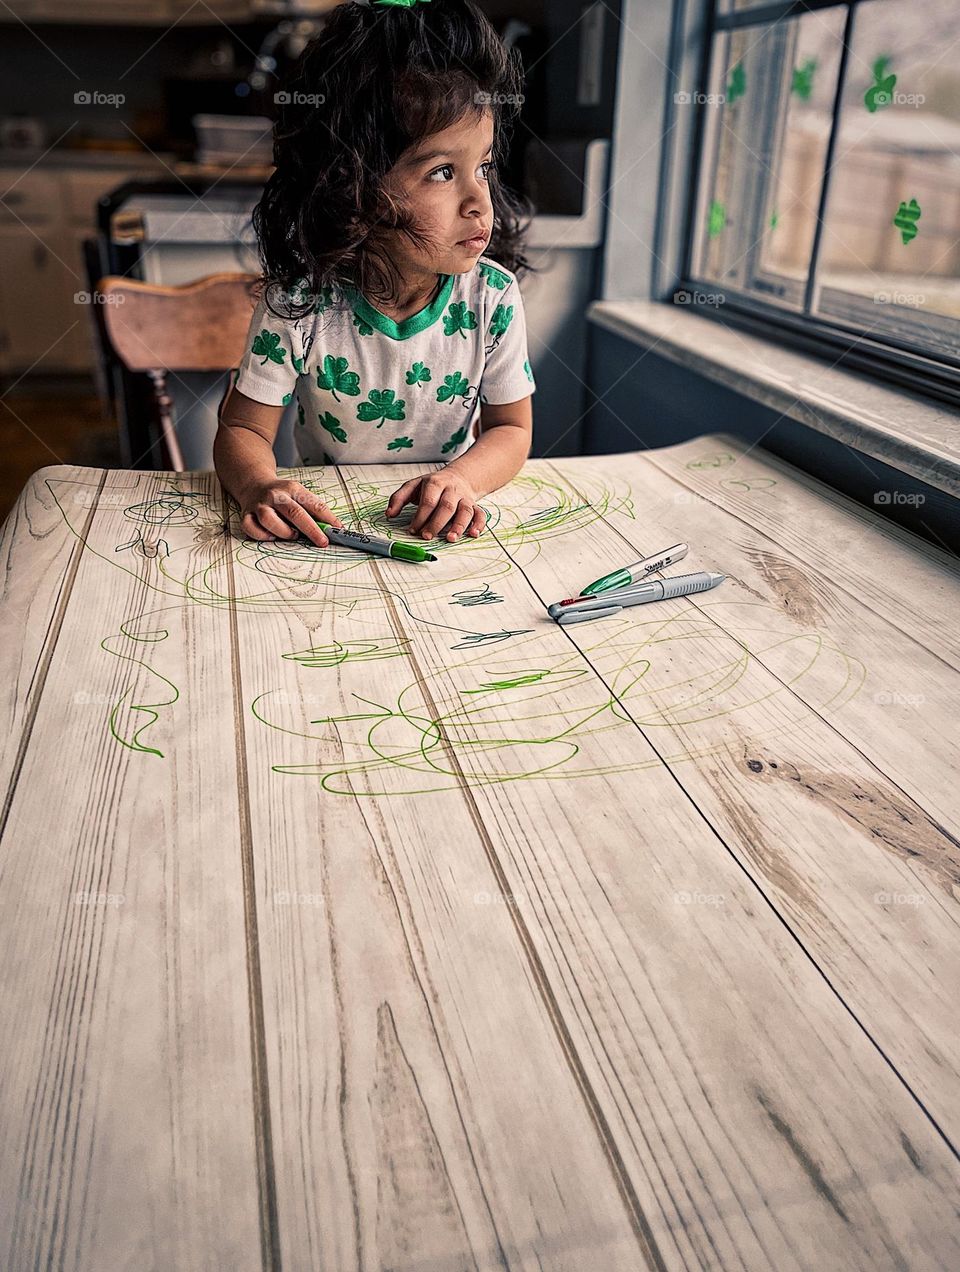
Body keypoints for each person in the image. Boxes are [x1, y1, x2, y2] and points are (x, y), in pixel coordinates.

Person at [214, 0, 537, 547]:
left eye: (483, 166)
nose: (480, 200)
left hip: (439, 529)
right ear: (353, 191)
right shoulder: (299, 304)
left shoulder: (493, 298)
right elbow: (242, 429)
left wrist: (462, 480)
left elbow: (511, 429)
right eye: (442, 172)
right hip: (330, 531)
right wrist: (259, 486)